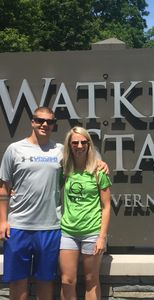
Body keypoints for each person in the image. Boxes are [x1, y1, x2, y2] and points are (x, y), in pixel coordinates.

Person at [0, 107, 108, 300]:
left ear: (53, 125)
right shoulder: (14, 149)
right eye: (40, 120)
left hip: (50, 227)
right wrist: (2, 221)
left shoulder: (59, 150)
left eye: (49, 122)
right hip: (18, 226)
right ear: (32, 122)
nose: (44, 125)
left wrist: (101, 162)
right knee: (17, 281)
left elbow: (85, 153)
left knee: (46, 280)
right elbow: (3, 188)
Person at [59, 126, 111, 300]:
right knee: (67, 280)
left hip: (92, 232)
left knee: (91, 280)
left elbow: (106, 206)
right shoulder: (64, 170)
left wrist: (101, 237)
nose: (79, 146)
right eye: (75, 142)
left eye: (83, 142)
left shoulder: (98, 171)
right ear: (69, 145)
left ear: (89, 144)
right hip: (68, 232)